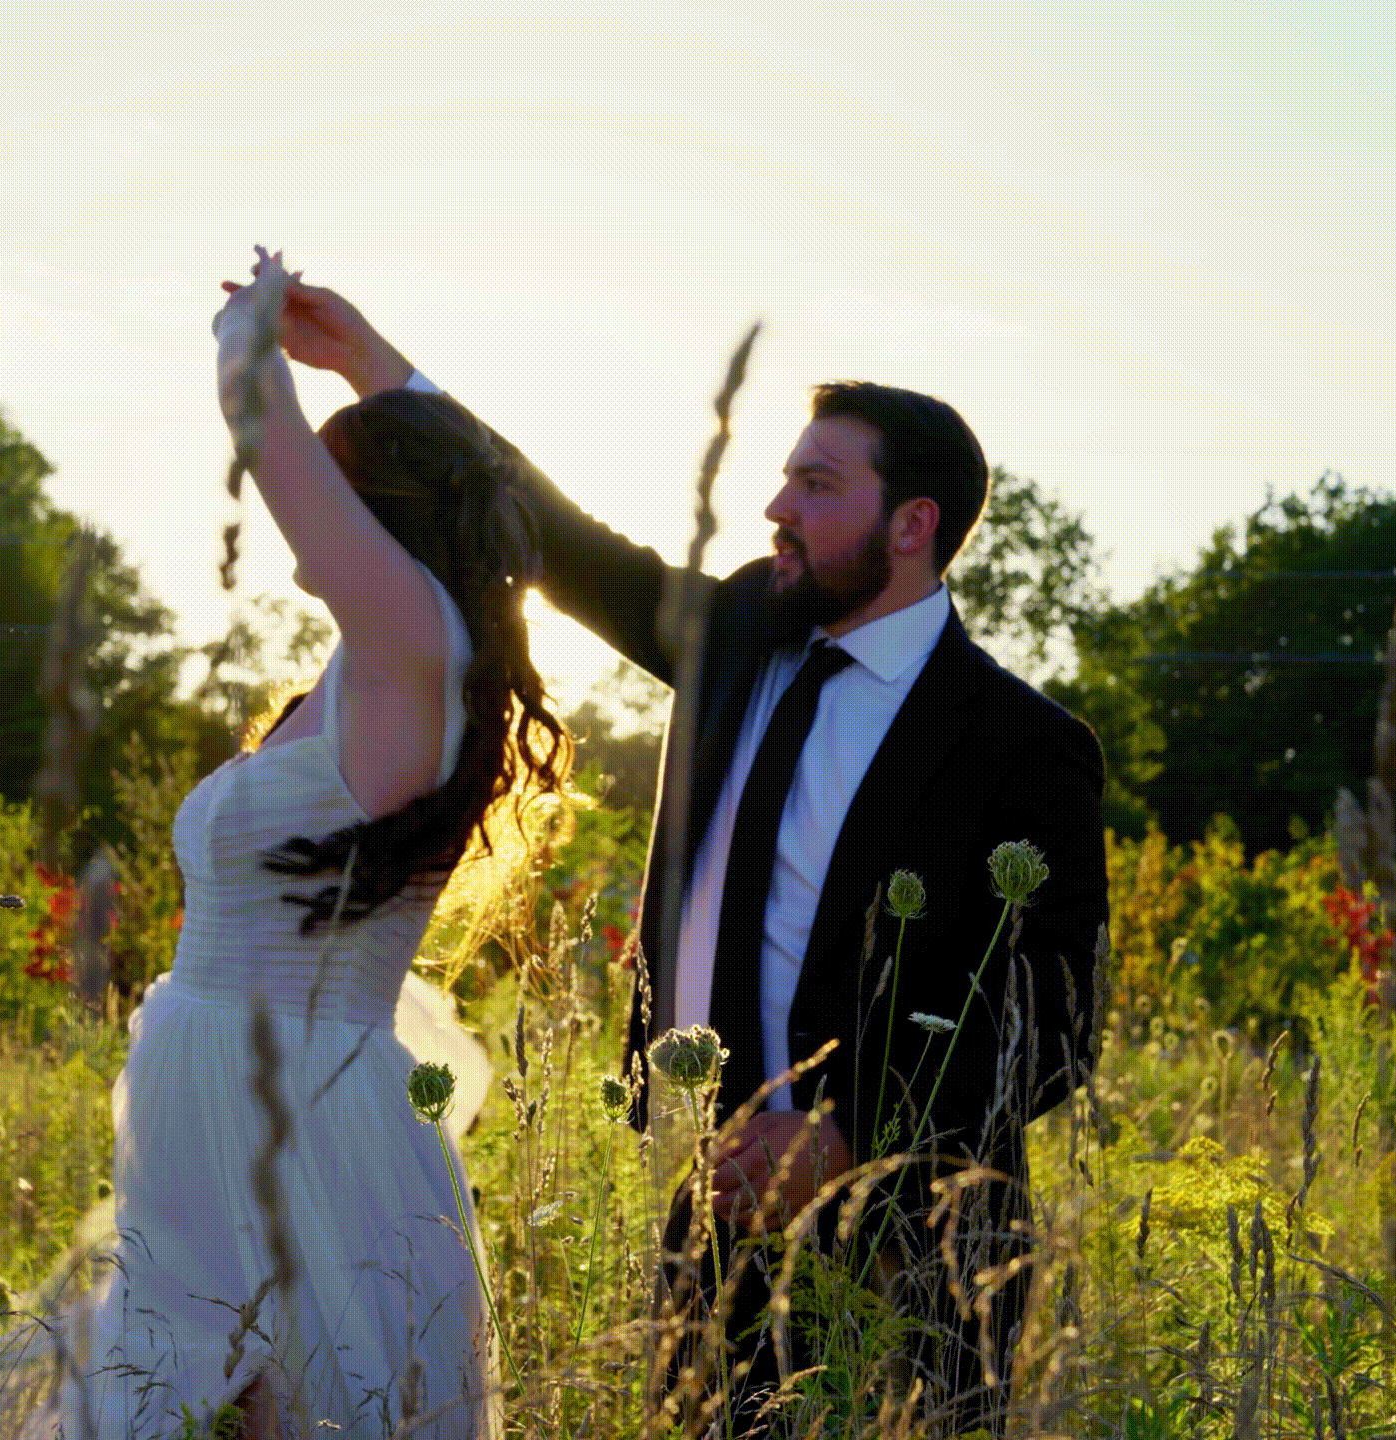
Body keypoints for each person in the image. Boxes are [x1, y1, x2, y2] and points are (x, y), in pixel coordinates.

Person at [268, 267, 1111, 1436]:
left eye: (816, 485)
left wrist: (849, 1136)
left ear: (912, 524)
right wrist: (376, 367)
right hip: (712, 1212)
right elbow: (555, 535)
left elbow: (1054, 1020)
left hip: (924, 1241)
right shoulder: (736, 633)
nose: (776, 508)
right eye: (780, 478)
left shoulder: (1021, 743)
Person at [0, 264, 568, 1440]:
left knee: (286, 1403)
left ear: (387, 507)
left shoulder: (409, 637)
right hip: (235, 1097)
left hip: (291, 1119)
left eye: (339, 474)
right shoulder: (365, 666)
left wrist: (254, 320)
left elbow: (257, 420)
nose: (312, 498)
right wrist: (365, 355)